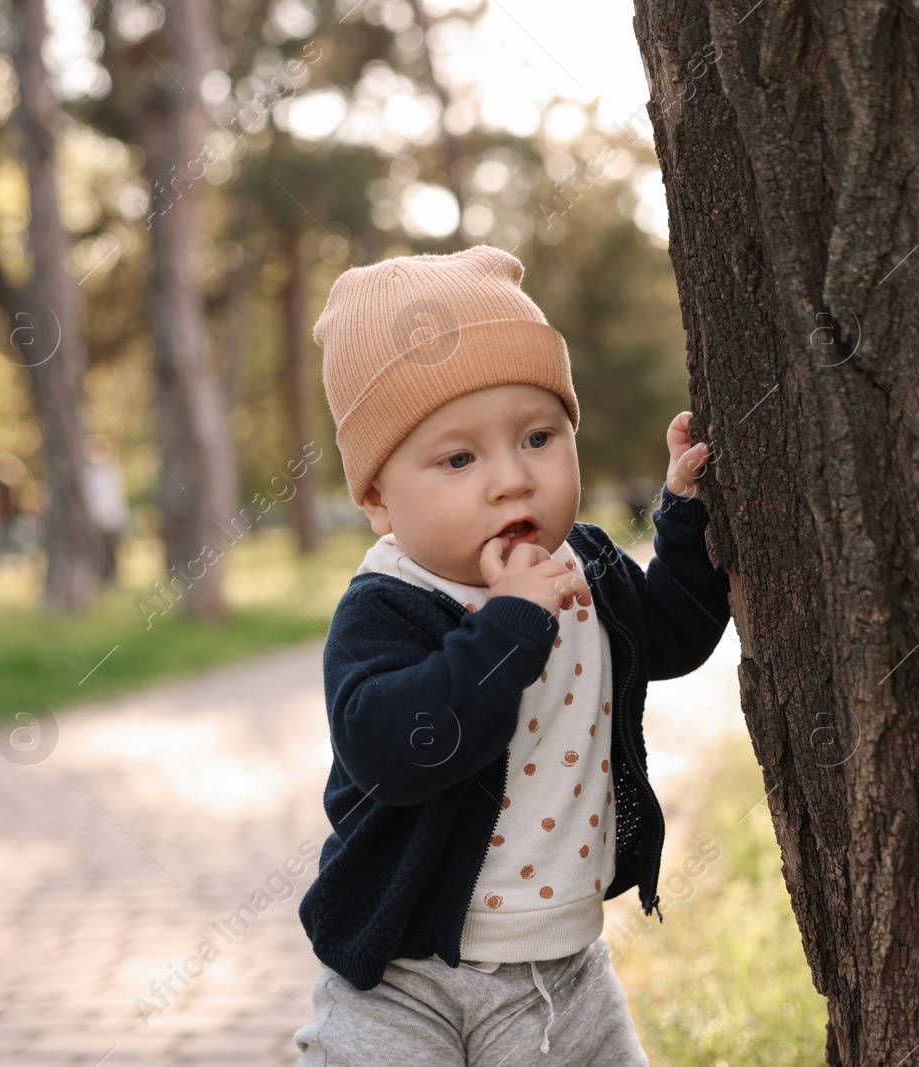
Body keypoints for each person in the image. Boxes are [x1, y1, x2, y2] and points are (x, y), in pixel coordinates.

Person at [293, 245, 730, 1065]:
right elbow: (397, 751)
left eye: (537, 436)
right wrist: (510, 625)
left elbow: (671, 637)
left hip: (566, 975)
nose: (510, 480)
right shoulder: (388, 604)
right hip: (404, 977)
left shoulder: (588, 566)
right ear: (380, 499)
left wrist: (685, 517)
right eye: (459, 458)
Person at [81, 434, 129, 584]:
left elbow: (116, 494)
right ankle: (100, 574)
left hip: (109, 515)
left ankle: (111, 575)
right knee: (97, 547)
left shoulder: (110, 469)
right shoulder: (87, 471)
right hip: (95, 517)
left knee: (110, 547)